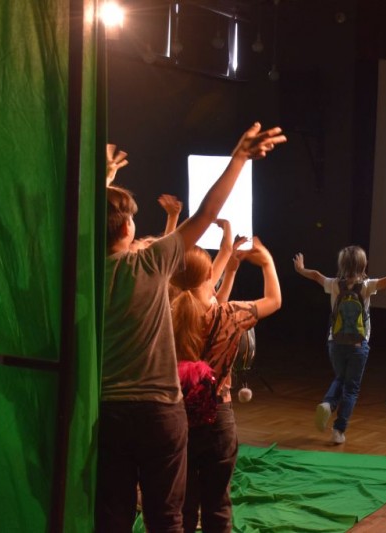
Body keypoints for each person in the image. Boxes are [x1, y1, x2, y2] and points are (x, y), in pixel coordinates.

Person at [97, 122, 285, 533]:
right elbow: (206, 213)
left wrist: (103, 182)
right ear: (127, 228)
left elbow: (85, 222)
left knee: (111, 516)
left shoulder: (80, 270)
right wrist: (239, 157)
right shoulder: (148, 265)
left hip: (107, 412)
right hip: (159, 412)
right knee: (167, 518)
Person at [171, 237, 281, 533]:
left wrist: (229, 269)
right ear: (210, 274)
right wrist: (267, 261)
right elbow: (273, 300)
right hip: (217, 418)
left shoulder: (167, 315)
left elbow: (198, 308)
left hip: (177, 419)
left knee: (183, 505)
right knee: (217, 505)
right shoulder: (229, 315)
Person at [292, 237, 386, 444]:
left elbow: (315, 275)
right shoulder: (367, 286)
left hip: (335, 342)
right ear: (363, 265)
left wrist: (300, 269)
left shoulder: (333, 284)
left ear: (341, 264)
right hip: (359, 345)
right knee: (351, 388)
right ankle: (338, 431)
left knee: (340, 378)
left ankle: (328, 404)